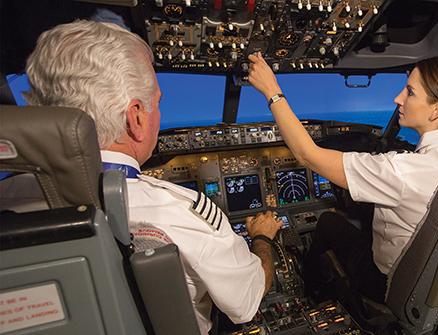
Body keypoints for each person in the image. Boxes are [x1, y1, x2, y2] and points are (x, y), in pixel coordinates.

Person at [23, 20, 281, 335]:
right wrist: (262, 238)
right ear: (136, 118)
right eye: (156, 102)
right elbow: (247, 300)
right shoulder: (178, 211)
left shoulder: (9, 196)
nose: (157, 112)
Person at [247, 53, 438, 305]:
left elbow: (307, 155)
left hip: (386, 284)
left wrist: (271, 90)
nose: (398, 98)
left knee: (327, 221)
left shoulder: (403, 171)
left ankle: (312, 294)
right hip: (431, 282)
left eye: (410, 92)